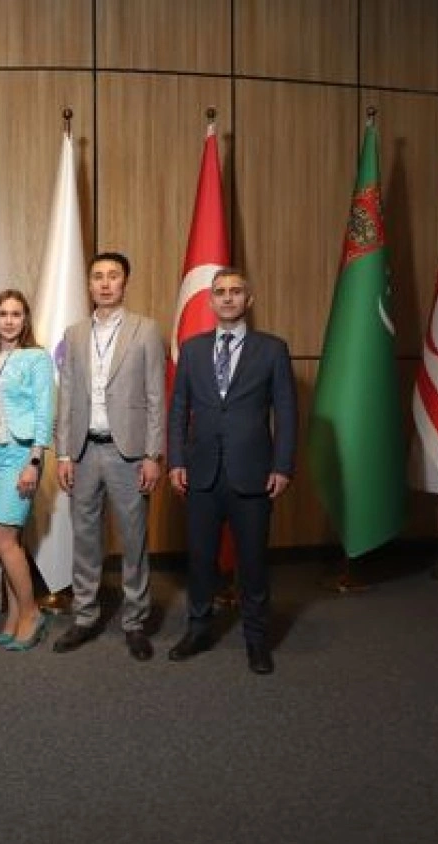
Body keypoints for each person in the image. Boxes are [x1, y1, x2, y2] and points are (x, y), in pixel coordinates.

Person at [167, 267, 296, 675]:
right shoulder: (191, 349)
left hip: (253, 473)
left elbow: (287, 412)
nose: (227, 298)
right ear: (210, 300)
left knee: (253, 562)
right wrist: (176, 460)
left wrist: (282, 466)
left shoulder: (272, 349)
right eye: (220, 292)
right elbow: (178, 410)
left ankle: (257, 640)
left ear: (248, 300)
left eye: (235, 291)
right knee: (201, 559)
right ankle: (198, 628)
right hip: (201, 473)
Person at [52, 252, 165, 661]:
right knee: (85, 537)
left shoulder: (146, 329)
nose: (104, 283)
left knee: (133, 539)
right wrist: (63, 453)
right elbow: (67, 396)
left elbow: (156, 395)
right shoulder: (74, 333)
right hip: (83, 451)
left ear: (124, 282)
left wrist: (153, 454)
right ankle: (84, 616)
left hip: (129, 452)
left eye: (113, 276)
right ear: (89, 284)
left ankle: (134, 621)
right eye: (97, 276)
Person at [0, 290, 55, 650]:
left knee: (1, 540)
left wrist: (34, 462)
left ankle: (32, 613)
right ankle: (14, 617)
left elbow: (44, 413)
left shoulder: (36, 358)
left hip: (21, 456)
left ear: (25, 320)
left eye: (16, 314)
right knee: (10, 541)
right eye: (3, 314)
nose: (9, 320)